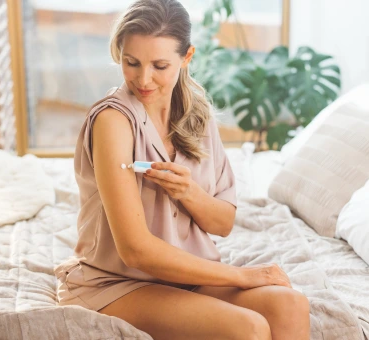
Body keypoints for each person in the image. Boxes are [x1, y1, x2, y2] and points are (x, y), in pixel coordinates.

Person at [53, 0, 310, 339]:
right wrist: (241, 276)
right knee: (248, 328)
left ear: (186, 57)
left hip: (185, 278)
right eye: (132, 63)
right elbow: (134, 250)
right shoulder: (113, 121)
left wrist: (188, 192)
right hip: (117, 282)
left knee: (291, 305)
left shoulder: (198, 117)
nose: (143, 79)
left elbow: (223, 222)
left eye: (160, 65)